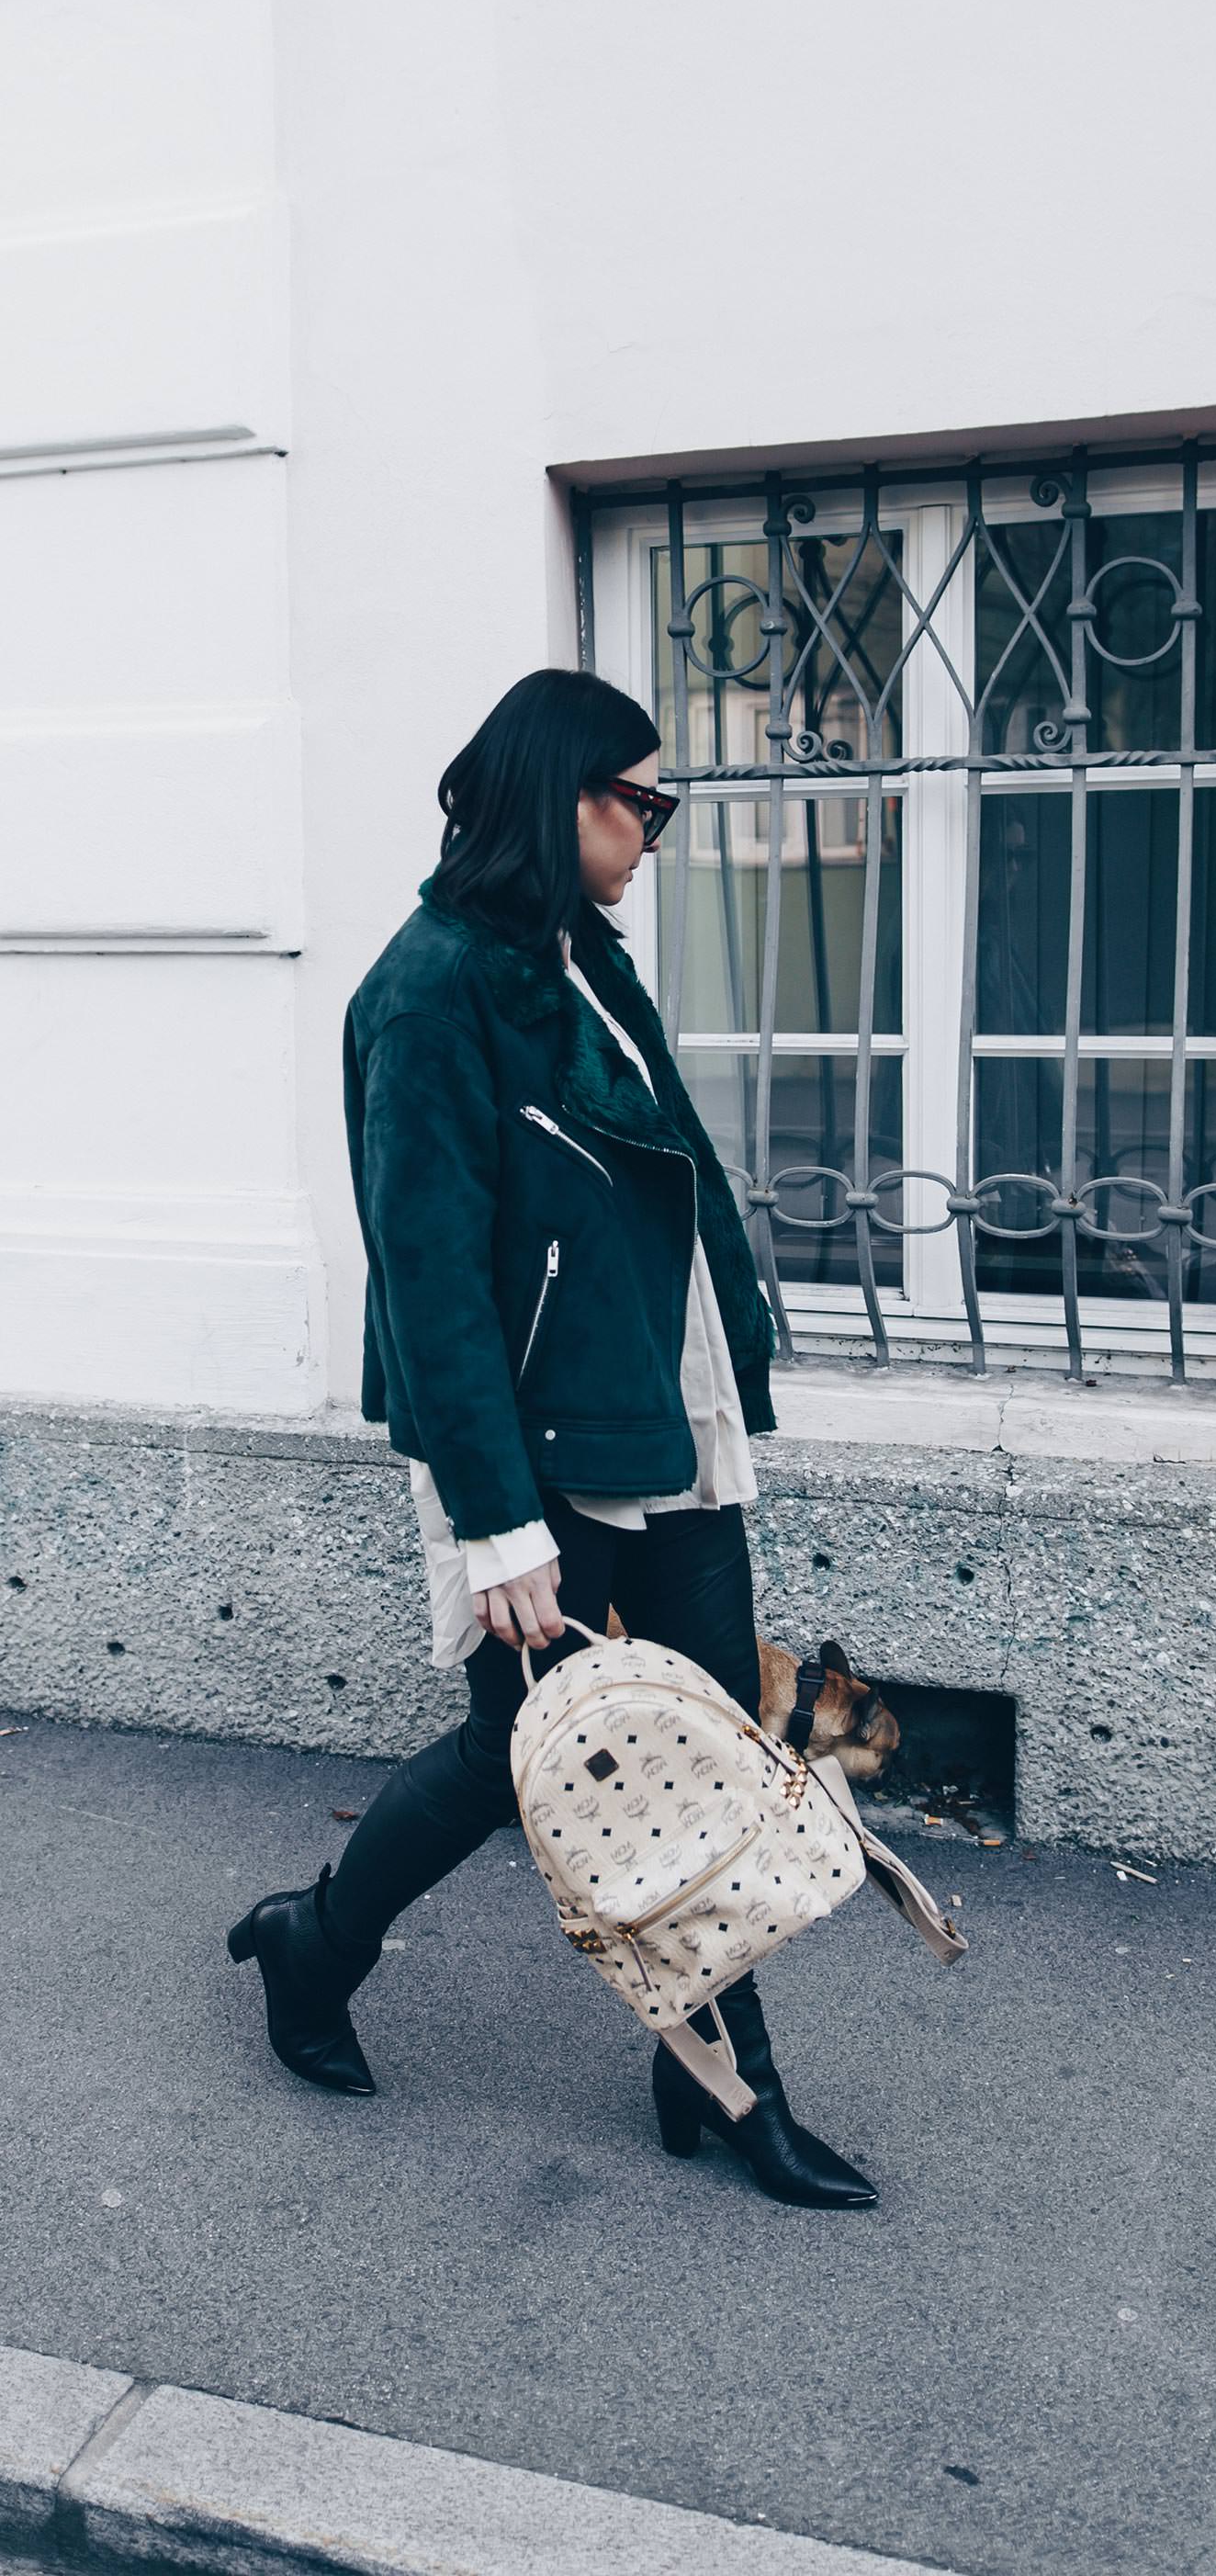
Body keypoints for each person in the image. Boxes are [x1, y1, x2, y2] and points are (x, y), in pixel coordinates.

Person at [228, 668, 875, 2210]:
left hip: (665, 1425)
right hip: (535, 1450)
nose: (658, 829)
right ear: (558, 794)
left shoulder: (576, 957)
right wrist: (494, 1518)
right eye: (640, 801)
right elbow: (429, 1273)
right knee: (513, 1761)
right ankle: (313, 1946)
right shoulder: (430, 987)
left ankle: (715, 2071)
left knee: (711, 1755)